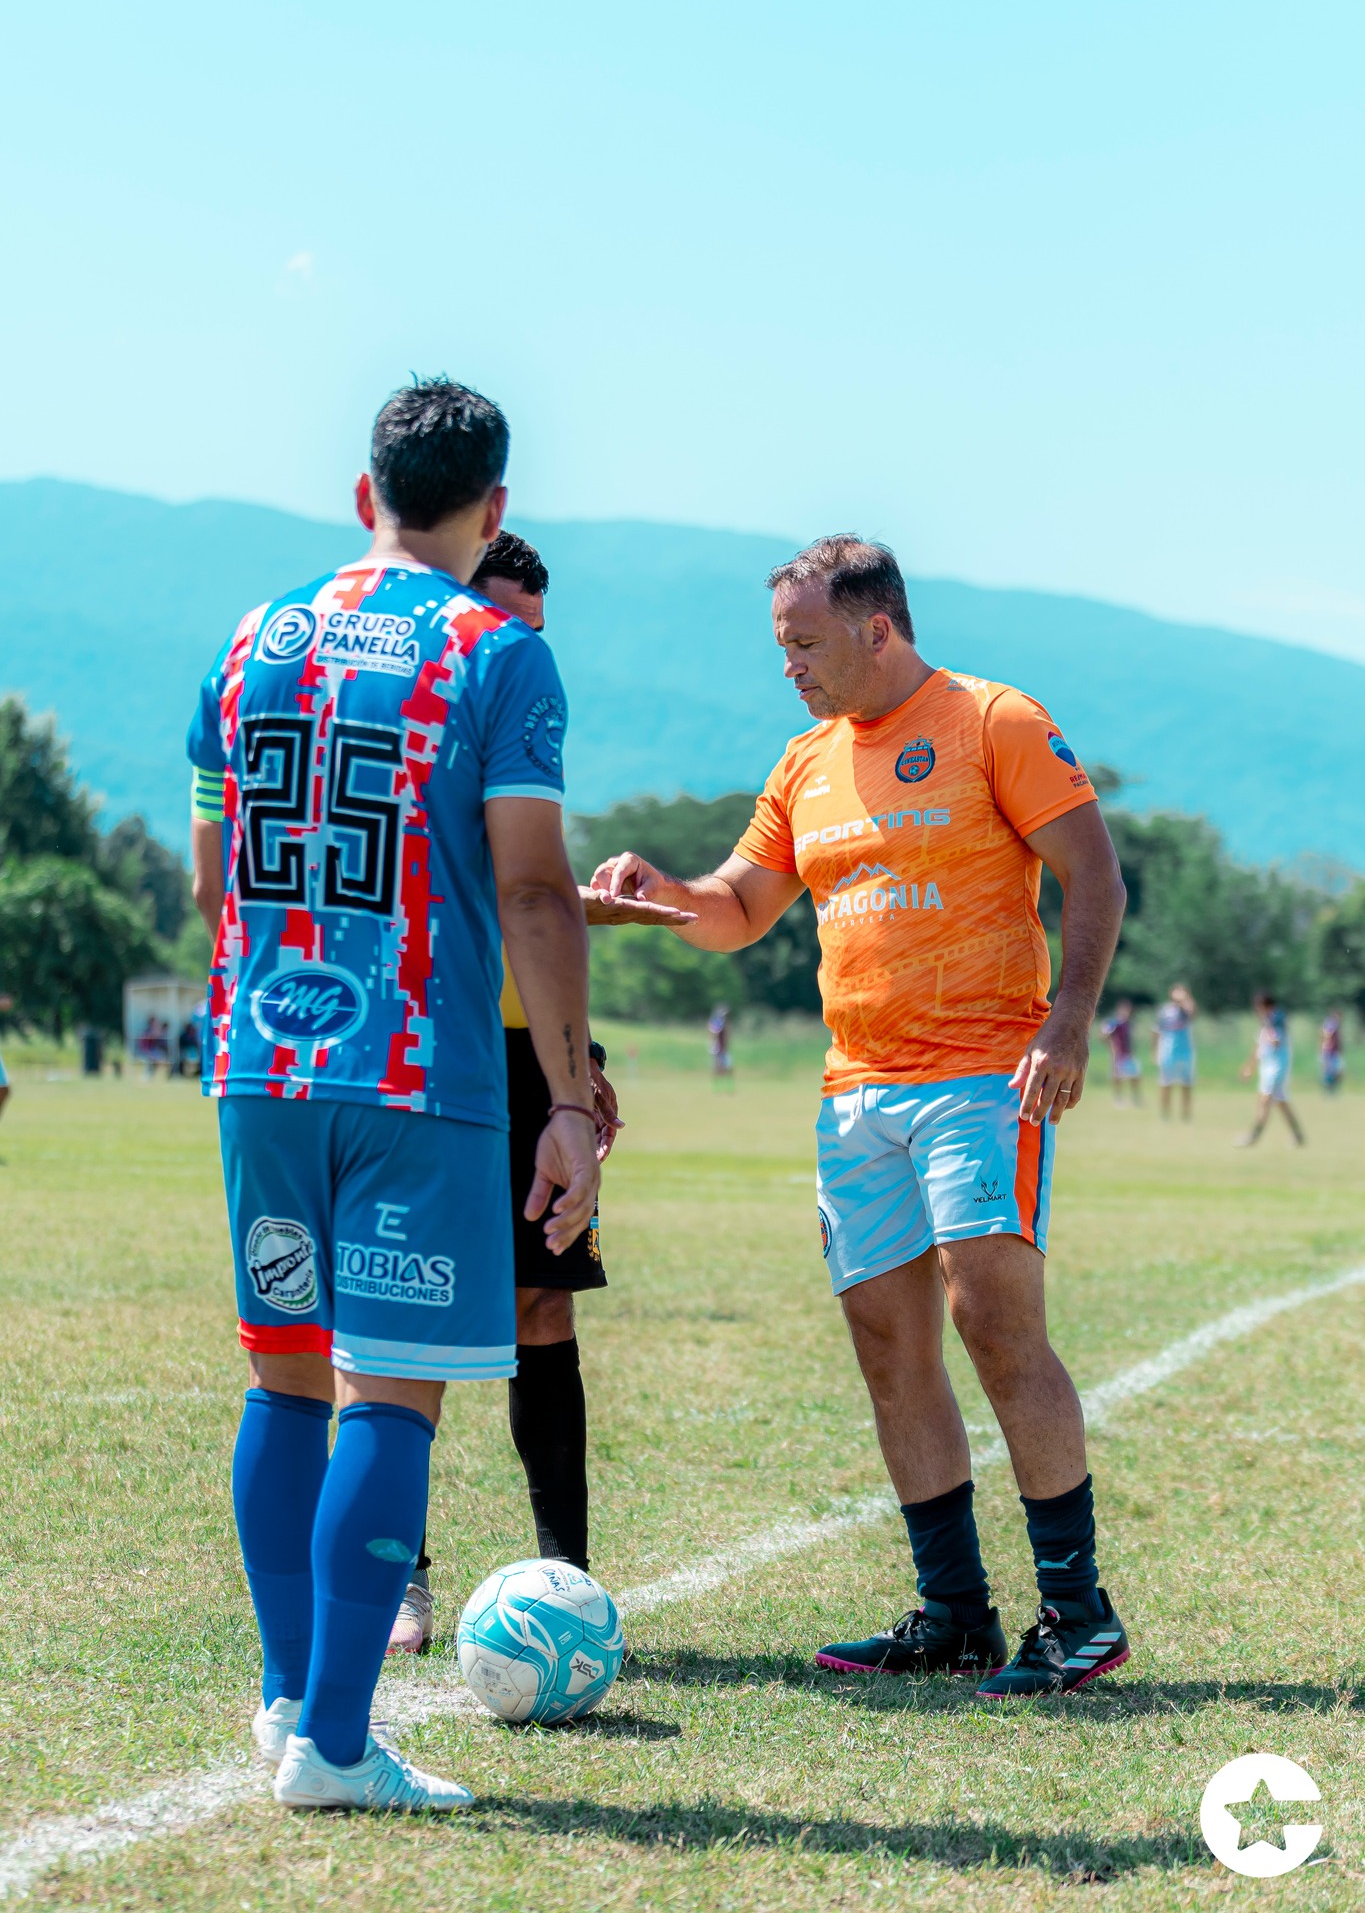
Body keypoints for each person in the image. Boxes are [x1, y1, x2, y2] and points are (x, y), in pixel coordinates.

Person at [594, 535, 1131, 1697]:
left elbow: (1095, 873)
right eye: (780, 644)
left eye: (805, 641)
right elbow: (739, 906)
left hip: (985, 1075)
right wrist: (660, 894)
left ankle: (1079, 1612)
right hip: (857, 1092)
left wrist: (1070, 1019)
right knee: (891, 1345)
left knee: (993, 1321)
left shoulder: (994, 720)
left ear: (876, 628)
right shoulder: (805, 762)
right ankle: (955, 1614)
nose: (788, 664)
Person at [187, 379, 600, 1813]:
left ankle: (288, 1698)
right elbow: (535, 890)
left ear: (364, 494)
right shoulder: (499, 653)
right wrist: (570, 1100)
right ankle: (337, 1746)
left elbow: (212, 878)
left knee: (282, 1375)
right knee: (392, 1397)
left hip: (260, 1059)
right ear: (495, 509)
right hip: (418, 1073)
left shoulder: (248, 641)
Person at [387, 531, 690, 1654]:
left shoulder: (520, 725)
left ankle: (567, 1580)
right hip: (422, 1053)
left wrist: (576, 1059)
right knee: (405, 1317)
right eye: (508, 623)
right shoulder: (405, 722)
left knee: (543, 1306)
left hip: (525, 1060)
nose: (523, 648)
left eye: (535, 631)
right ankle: (400, 1579)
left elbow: (531, 903)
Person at [1238, 993, 1306, 1146]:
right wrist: (1249, 1066)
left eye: (1258, 1007)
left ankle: (1254, 1136)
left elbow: (1276, 1041)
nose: (1256, 1010)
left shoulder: (1277, 1020)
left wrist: (1271, 1033)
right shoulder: (1266, 1022)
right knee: (1281, 1102)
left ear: (1265, 1006)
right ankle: (1298, 1135)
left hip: (1277, 1067)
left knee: (1264, 1100)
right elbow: (1259, 1047)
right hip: (1267, 1067)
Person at [1153, 984, 1196, 1120]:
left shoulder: (1186, 1009)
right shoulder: (1165, 1010)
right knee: (1166, 1083)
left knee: (1186, 1084)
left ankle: (1186, 1114)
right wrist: (1155, 1051)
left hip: (1185, 1051)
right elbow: (1156, 1031)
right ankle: (1165, 1114)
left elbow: (1193, 1012)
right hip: (1167, 1051)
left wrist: (1186, 998)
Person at [1099, 999, 1141, 1106]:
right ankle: (1118, 1099)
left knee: (1135, 1076)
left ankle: (1135, 1098)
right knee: (1118, 1078)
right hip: (1118, 1054)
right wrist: (1110, 1047)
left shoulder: (1129, 1023)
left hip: (1129, 1054)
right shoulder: (1115, 1023)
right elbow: (1103, 1035)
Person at [708, 1002, 735, 1086]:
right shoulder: (717, 1023)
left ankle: (726, 1085)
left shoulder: (724, 1023)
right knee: (718, 1068)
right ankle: (717, 1085)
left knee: (728, 1067)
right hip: (718, 1048)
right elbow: (714, 1034)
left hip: (724, 1048)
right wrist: (715, 1047)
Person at [1320, 1011, 1344, 1093]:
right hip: (1329, 1051)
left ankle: (1331, 1088)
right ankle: (1329, 1089)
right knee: (1330, 1071)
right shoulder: (1332, 1024)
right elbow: (1327, 1034)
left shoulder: (1332, 1024)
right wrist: (1328, 1044)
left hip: (1333, 1051)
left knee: (1334, 1071)